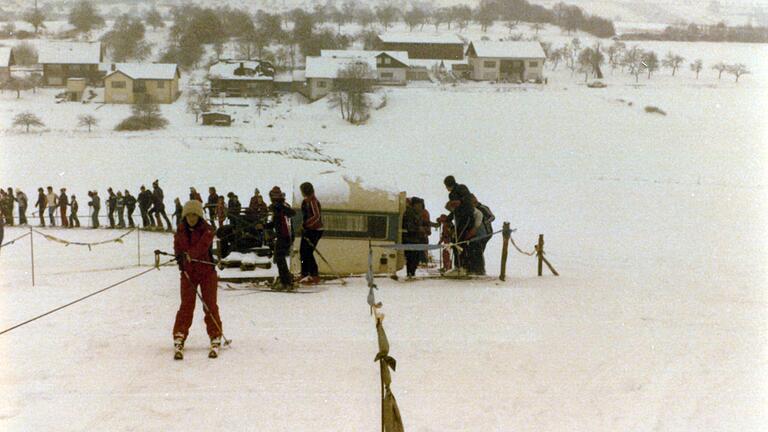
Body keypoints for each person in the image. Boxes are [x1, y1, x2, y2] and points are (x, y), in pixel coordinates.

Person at [172, 200, 222, 360]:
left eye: (194, 215)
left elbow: (202, 246)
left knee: (209, 305)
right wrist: (181, 261)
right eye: (189, 215)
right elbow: (178, 249)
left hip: (207, 273)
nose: (191, 218)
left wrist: (190, 255)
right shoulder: (180, 231)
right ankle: (180, 334)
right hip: (188, 274)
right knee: (186, 305)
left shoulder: (207, 230)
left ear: (199, 215)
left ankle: (215, 334)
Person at [266, 186, 296, 290]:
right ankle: (286, 279)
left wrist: (278, 207)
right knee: (280, 259)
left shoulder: (281, 206)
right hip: (283, 235)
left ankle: (286, 281)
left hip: (285, 236)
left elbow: (292, 213)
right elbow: (274, 223)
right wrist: (264, 226)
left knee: (280, 258)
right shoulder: (277, 206)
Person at [442, 176, 473, 274]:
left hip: (464, 218)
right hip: (465, 218)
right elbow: (462, 205)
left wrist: (449, 218)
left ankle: (461, 267)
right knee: (458, 242)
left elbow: (458, 208)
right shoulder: (463, 188)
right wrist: (449, 218)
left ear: (447, 185)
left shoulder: (454, 193)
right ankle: (461, 266)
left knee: (458, 242)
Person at [299, 182, 323, 285]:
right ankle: (304, 274)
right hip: (308, 229)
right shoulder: (306, 201)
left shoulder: (313, 201)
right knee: (302, 251)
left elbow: (316, 216)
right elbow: (306, 216)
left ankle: (314, 275)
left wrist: (306, 224)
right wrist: (303, 225)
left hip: (315, 230)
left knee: (308, 252)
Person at [402, 198, 424, 278]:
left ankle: (411, 273)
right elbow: (409, 227)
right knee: (411, 258)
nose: (420, 207)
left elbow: (421, 222)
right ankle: (410, 273)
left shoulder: (416, 213)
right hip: (410, 239)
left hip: (415, 240)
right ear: (414, 205)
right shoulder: (409, 213)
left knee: (415, 258)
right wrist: (419, 228)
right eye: (419, 205)